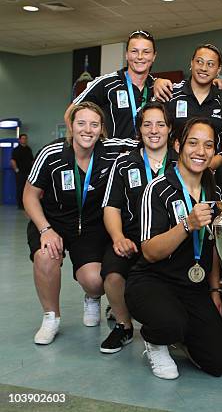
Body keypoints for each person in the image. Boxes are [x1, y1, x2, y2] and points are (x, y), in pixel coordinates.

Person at [125, 118, 222, 380]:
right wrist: (187, 224)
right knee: (170, 322)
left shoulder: (213, 188)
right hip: (153, 281)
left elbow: (213, 246)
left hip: (192, 286)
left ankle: (180, 333)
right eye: (193, 143)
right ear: (177, 145)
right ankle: (155, 340)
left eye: (208, 145)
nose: (200, 151)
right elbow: (149, 251)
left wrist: (215, 289)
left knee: (218, 361)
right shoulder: (157, 188)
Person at [24, 102, 137, 345]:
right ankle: (51, 317)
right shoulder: (51, 154)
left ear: (101, 129)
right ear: (71, 127)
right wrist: (45, 230)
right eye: (81, 123)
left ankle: (92, 297)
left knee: (95, 280)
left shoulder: (111, 151)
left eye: (94, 124)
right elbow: (29, 196)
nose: (88, 130)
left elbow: (149, 140)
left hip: (90, 226)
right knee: (46, 255)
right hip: (51, 221)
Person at [100, 101, 174, 353]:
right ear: (139, 130)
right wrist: (118, 237)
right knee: (112, 273)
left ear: (169, 129)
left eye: (160, 124)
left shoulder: (181, 163)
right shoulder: (124, 163)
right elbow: (111, 206)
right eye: (147, 124)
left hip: (171, 237)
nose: (154, 130)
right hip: (132, 236)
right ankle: (124, 325)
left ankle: (168, 324)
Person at [66, 30, 156, 139]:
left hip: (147, 155)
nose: (140, 56)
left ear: (154, 56)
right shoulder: (106, 83)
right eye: (134, 51)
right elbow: (70, 114)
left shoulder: (157, 87)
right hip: (112, 154)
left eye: (146, 52)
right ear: (126, 55)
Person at [161, 43, 222, 170]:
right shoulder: (171, 94)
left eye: (210, 64)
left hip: (211, 176)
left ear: (218, 70)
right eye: (199, 62)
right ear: (192, 63)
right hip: (173, 171)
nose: (204, 68)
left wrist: (212, 163)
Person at [10, 133, 34, 210]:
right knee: (20, 189)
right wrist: (17, 170)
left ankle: (27, 204)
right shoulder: (16, 150)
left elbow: (32, 161)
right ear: (19, 140)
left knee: (27, 189)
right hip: (20, 173)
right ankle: (20, 205)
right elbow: (13, 161)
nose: (24, 140)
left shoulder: (28, 149)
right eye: (23, 138)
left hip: (28, 173)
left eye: (25, 138)